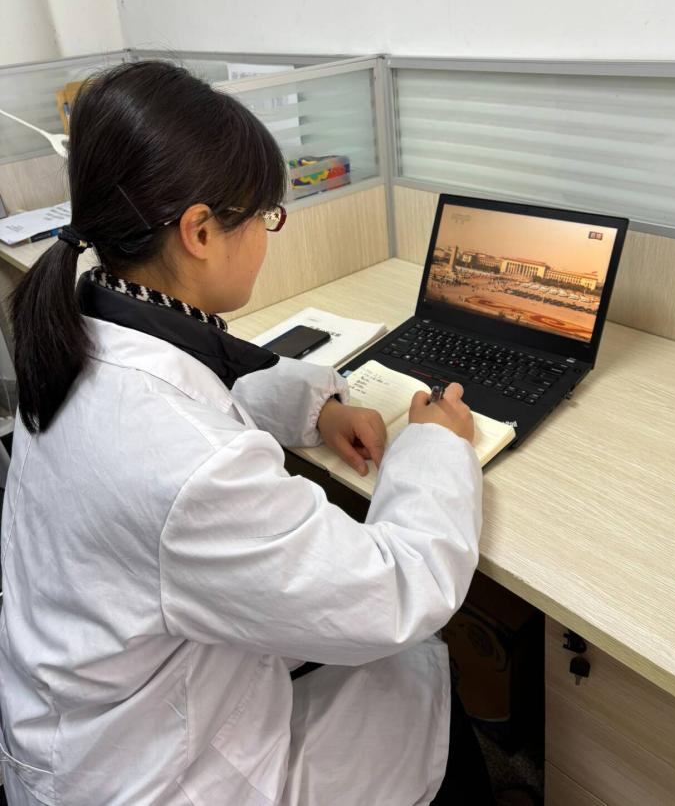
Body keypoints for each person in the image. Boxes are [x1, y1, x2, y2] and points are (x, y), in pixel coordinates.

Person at [0, 62, 492, 805]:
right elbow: (396, 591)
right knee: (419, 671)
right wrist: (435, 446)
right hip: (156, 776)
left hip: (87, 722)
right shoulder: (188, 465)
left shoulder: (81, 331)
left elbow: (198, 389)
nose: (267, 235)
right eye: (264, 217)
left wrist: (315, 406)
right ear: (199, 232)